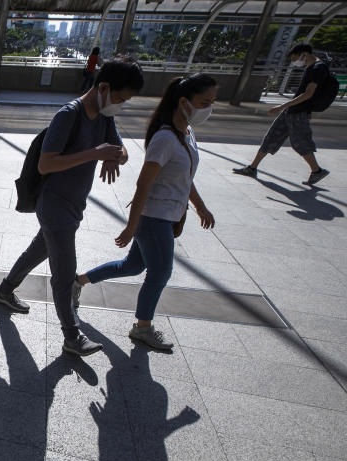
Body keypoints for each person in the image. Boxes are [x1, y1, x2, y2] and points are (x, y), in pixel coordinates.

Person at [0, 58, 145, 357]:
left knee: (39, 249)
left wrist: (115, 156)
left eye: (125, 101)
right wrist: (94, 153)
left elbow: (122, 152)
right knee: (65, 273)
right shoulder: (68, 115)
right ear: (103, 87)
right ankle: (71, 335)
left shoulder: (104, 116)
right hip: (54, 205)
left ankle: (5, 290)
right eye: (119, 98)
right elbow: (46, 162)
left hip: (73, 205)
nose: (120, 106)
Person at [73, 74, 218, 351]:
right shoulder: (165, 138)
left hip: (165, 215)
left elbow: (185, 176)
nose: (209, 108)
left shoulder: (187, 133)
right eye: (205, 102)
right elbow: (143, 184)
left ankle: (77, 282)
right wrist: (132, 225)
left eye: (212, 102)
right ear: (184, 102)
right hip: (154, 218)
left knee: (133, 266)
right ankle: (143, 327)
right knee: (160, 272)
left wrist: (200, 205)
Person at [232, 44, 330, 186]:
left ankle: (317, 171)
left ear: (304, 54)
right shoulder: (312, 67)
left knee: (301, 143)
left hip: (297, 112)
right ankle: (252, 168)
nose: (294, 61)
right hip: (292, 111)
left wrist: (282, 106)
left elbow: (309, 93)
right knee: (271, 137)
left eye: (295, 58)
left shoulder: (317, 68)